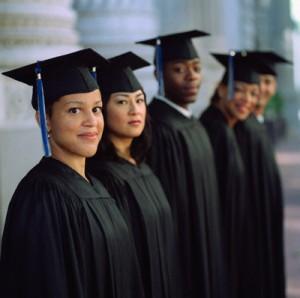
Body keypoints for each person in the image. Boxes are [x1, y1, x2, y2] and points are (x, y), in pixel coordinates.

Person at [0, 49, 145, 298]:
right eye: (74, 110)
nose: (91, 121)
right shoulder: (42, 196)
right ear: (45, 119)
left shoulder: (97, 186)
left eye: (97, 109)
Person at [137, 30, 228, 298]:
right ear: (158, 75)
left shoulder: (194, 123)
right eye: (179, 69)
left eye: (196, 68)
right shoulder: (156, 126)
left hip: (206, 241)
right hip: (180, 249)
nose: (191, 77)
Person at [86, 52, 181, 298]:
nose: (134, 110)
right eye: (121, 102)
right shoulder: (103, 178)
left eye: (139, 100)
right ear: (102, 110)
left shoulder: (144, 167)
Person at [200, 52, 261, 298]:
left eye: (253, 94)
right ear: (221, 89)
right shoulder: (217, 130)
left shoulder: (226, 126)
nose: (247, 99)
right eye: (240, 90)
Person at [233, 51, 289, 298]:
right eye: (259, 83)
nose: (263, 89)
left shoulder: (259, 124)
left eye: (268, 82)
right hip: (252, 224)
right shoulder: (243, 129)